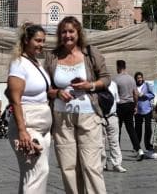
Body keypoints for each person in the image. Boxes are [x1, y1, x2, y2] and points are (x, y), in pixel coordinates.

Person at [44, 16, 111, 194]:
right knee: (68, 167)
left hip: (88, 115)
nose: (67, 35)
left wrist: (90, 85)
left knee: (91, 166)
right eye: (63, 32)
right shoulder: (52, 56)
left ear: (78, 33)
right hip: (62, 116)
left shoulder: (91, 53)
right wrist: (57, 93)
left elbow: (106, 79)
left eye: (71, 31)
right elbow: (46, 88)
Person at [7, 23, 53, 194]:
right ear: (26, 40)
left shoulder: (36, 63)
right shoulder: (19, 64)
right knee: (38, 171)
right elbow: (15, 100)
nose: (41, 44)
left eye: (43, 41)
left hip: (43, 127)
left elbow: (43, 92)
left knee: (31, 173)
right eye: (38, 40)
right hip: (28, 125)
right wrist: (22, 130)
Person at [113, 60, 142, 159]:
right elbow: (136, 94)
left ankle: (117, 151)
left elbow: (114, 95)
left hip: (120, 106)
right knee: (131, 129)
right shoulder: (131, 79)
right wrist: (135, 105)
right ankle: (139, 149)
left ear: (118, 67)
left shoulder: (116, 80)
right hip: (130, 105)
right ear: (125, 67)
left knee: (118, 129)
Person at [101, 79, 125, 172]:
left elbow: (117, 100)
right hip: (100, 116)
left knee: (114, 141)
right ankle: (102, 164)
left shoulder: (113, 84)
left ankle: (117, 164)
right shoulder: (94, 84)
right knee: (100, 142)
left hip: (112, 116)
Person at [133, 72, 155, 155]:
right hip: (137, 110)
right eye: (138, 78)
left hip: (147, 110)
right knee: (137, 129)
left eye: (140, 78)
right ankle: (137, 147)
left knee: (148, 128)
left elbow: (152, 95)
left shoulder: (147, 85)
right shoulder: (133, 86)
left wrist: (144, 95)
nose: (139, 79)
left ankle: (148, 146)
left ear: (142, 78)